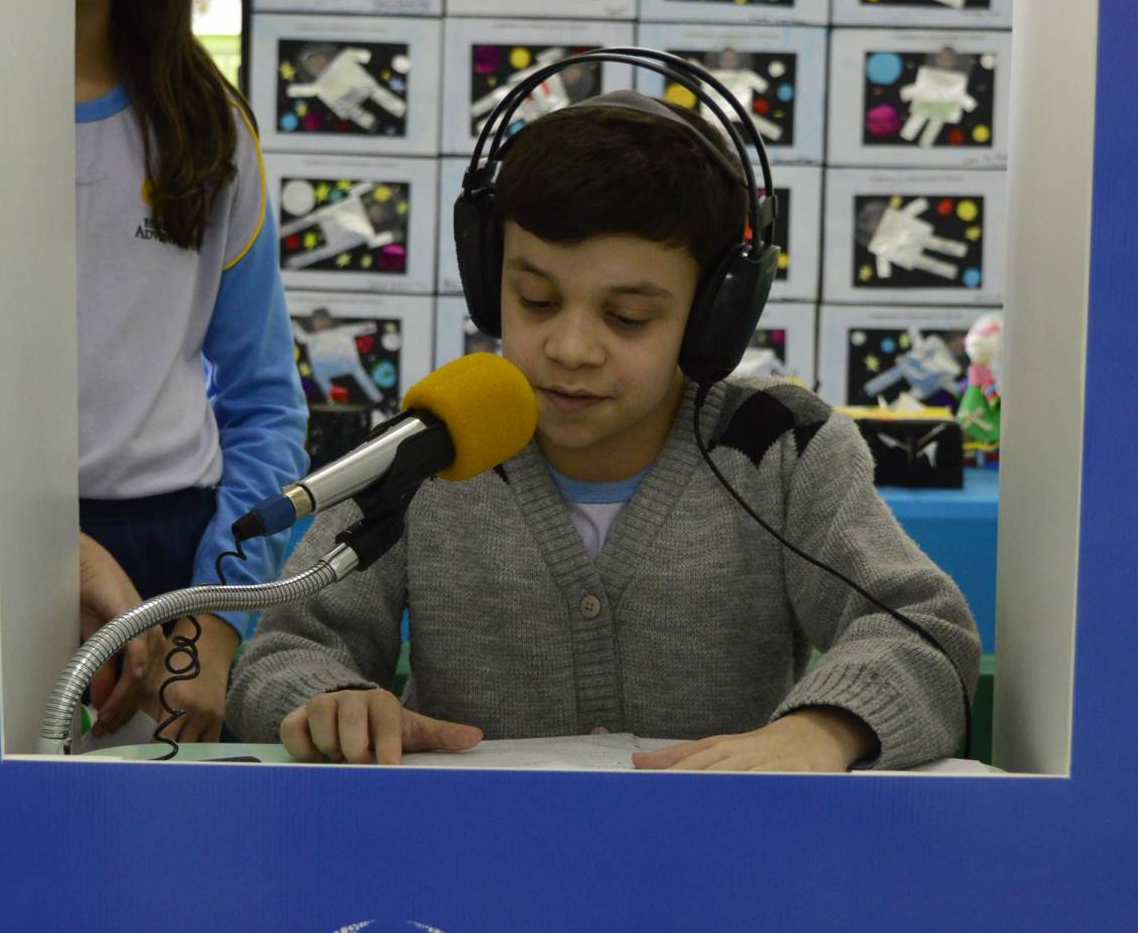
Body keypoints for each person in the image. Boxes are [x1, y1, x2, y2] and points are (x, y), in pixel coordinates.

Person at [226, 99, 979, 771]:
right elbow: (286, 653)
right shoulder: (433, 444)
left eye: (628, 318)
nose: (572, 348)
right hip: (474, 856)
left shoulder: (780, 447)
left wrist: (825, 730)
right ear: (489, 281)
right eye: (535, 300)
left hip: (720, 857)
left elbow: (925, 632)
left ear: (715, 316)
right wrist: (329, 700)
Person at [74, 0, 308, 741]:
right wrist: (42, 549)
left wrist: (217, 616)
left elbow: (266, 406)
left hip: (178, 558)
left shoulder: (208, 125)